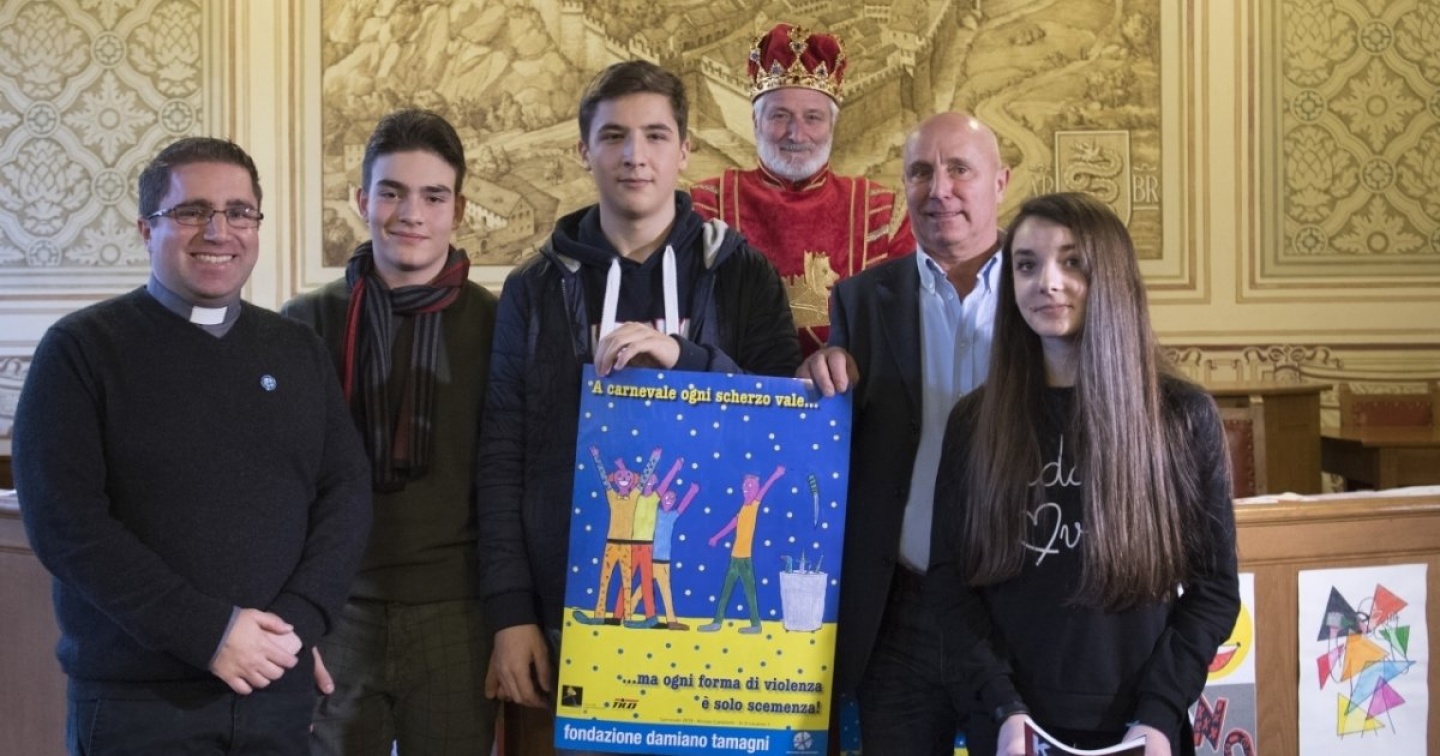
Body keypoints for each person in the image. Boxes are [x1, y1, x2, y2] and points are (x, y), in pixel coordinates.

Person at [475, 59, 801, 742]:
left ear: (684, 150)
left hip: (707, 628)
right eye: (614, 136)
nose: (635, 155)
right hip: (564, 614)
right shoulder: (535, 288)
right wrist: (511, 613)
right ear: (583, 150)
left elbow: (783, 425)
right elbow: (502, 456)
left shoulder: (742, 274)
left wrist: (687, 360)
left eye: (655, 135)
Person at [13, 137, 372, 755]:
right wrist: (209, 632)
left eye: (239, 212)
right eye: (191, 211)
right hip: (138, 705)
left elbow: (346, 493)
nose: (218, 230)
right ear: (145, 229)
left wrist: (295, 626)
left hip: (275, 690)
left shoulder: (297, 350)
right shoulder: (81, 350)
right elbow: (64, 523)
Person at [926, 192, 1240, 756]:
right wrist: (1003, 706)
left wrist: (1159, 714)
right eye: (1027, 265)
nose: (1047, 282)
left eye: (1072, 262)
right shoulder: (974, 422)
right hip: (1011, 728)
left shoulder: (1182, 416)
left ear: (1111, 276)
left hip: (1140, 731)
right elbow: (951, 582)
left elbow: (1214, 591)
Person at [282, 109, 500, 754]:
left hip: (457, 611)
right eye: (392, 193)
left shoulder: (499, 324)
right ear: (362, 201)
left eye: (433, 196)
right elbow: (282, 482)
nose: (411, 214)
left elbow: (511, 476)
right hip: (335, 609)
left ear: (458, 210)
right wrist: (294, 615)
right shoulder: (304, 324)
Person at [797, 112, 1009, 754]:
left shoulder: (1044, 294)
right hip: (901, 613)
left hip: (1015, 606)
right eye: (920, 172)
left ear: (1000, 182)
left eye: (959, 169)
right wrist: (818, 376)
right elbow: (840, 425)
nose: (939, 189)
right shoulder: (861, 300)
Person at [691, 22, 914, 355]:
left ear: (832, 125)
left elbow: (903, 338)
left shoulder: (884, 215)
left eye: (813, 118)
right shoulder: (703, 207)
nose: (796, 134)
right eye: (780, 116)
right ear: (755, 122)